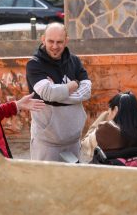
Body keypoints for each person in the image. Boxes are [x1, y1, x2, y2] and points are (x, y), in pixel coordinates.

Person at [26, 22, 91, 162]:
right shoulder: (34, 64)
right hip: (47, 142)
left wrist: (57, 92)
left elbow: (87, 91)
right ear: (43, 39)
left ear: (66, 41)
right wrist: (72, 86)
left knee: (72, 182)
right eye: (51, 41)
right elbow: (47, 93)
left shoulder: (74, 61)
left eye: (59, 42)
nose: (55, 46)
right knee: (45, 182)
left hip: (73, 139)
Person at [80, 91, 137, 163]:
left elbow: (84, 145)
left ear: (115, 110)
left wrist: (102, 118)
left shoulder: (104, 131)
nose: (108, 114)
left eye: (109, 111)